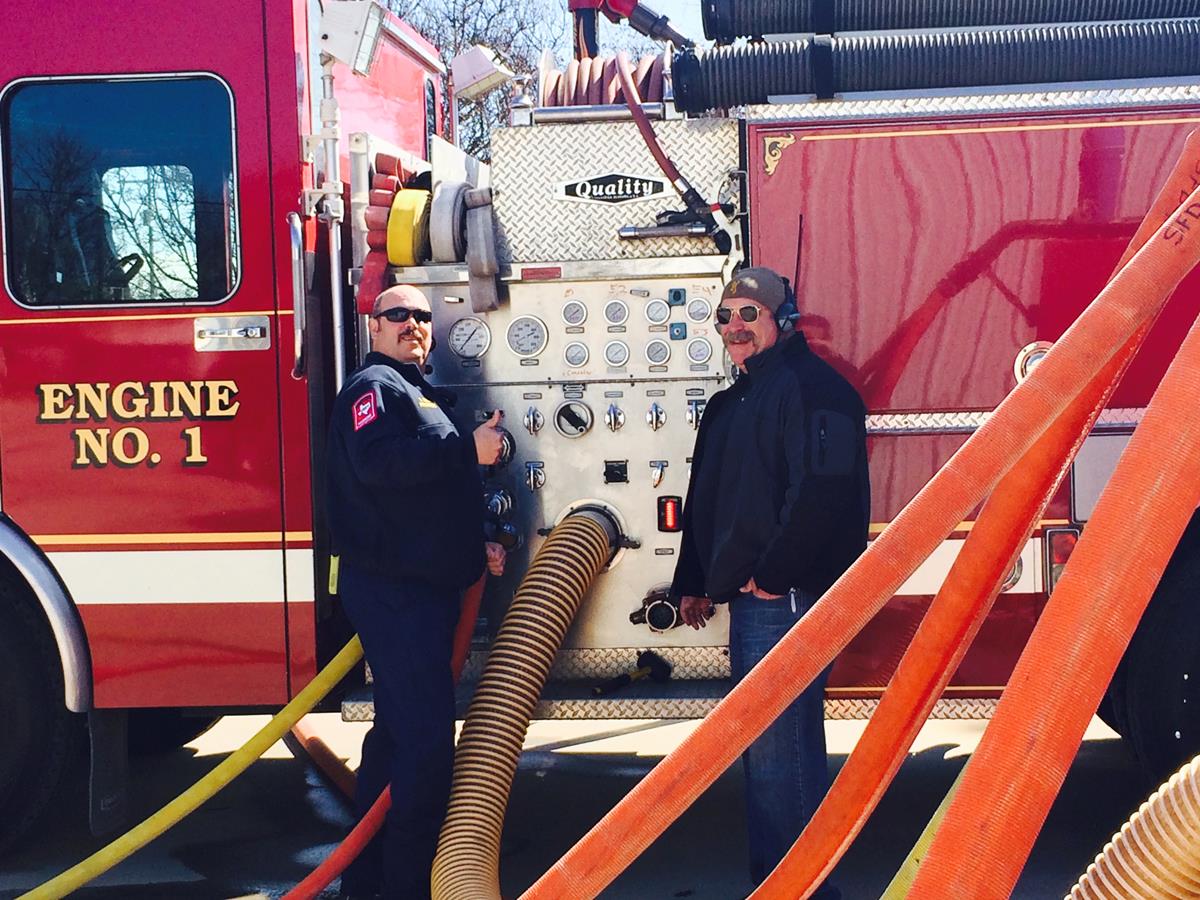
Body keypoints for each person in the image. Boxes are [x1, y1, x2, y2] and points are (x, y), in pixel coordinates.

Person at [671, 267, 869, 897]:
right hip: (757, 601)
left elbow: (822, 496)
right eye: (725, 315)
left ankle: (807, 891)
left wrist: (772, 578)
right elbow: (709, 498)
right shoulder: (732, 404)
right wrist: (696, 580)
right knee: (764, 757)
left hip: (787, 600)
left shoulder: (817, 391)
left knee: (784, 761)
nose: (734, 326)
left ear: (784, 320)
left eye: (748, 314)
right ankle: (776, 888)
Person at [325, 284, 508, 900]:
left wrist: (472, 544)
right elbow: (382, 466)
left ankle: (367, 884)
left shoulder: (418, 393)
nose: (413, 324)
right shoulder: (372, 390)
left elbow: (422, 497)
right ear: (373, 327)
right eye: (397, 314)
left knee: (396, 739)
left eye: (424, 317)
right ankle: (406, 885)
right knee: (427, 752)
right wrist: (466, 449)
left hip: (420, 593)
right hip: (395, 593)